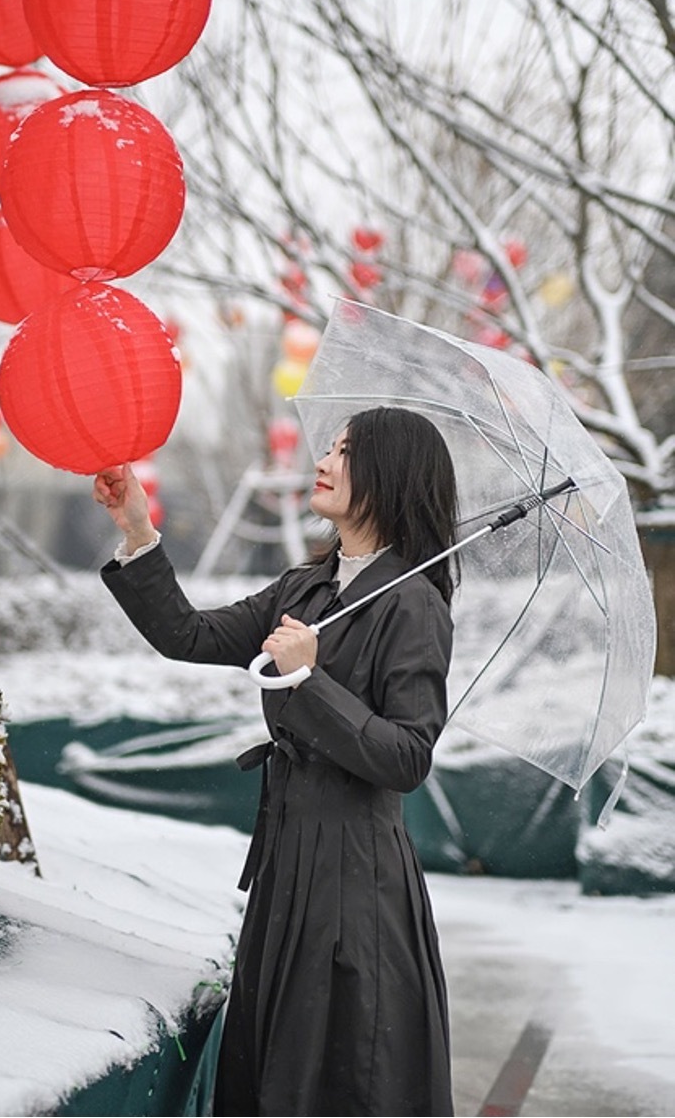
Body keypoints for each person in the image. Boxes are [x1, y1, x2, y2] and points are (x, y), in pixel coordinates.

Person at [93, 406, 458, 1118]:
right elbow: (188, 634)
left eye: (346, 452)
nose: (324, 459)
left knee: (341, 1074)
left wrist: (308, 683)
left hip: (357, 884)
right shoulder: (303, 589)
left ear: (390, 475)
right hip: (286, 863)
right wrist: (138, 533)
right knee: (271, 1067)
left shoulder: (413, 604)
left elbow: (408, 756)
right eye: (328, 445)